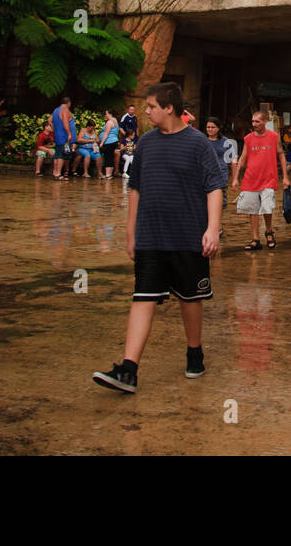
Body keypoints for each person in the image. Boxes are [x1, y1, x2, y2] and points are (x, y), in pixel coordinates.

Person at [92, 83, 225, 393]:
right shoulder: (146, 144)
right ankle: (129, 369)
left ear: (169, 107)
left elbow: (214, 187)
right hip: (151, 236)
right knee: (142, 298)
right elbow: (135, 188)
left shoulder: (198, 144)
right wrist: (131, 233)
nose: (146, 111)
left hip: (187, 237)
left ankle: (194, 352)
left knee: (190, 299)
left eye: (151, 106)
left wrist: (212, 228)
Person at [233, 110, 291, 251]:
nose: (254, 124)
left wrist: (285, 177)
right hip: (250, 179)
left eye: (257, 121)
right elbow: (242, 158)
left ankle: (269, 232)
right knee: (252, 210)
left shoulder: (274, 137)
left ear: (265, 122)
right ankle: (255, 239)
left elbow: (281, 155)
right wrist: (235, 178)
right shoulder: (248, 138)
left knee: (267, 207)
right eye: (253, 121)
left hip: (268, 178)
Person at [204, 117, 239, 204]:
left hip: (221, 176)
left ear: (218, 128)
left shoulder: (226, 141)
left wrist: (234, 179)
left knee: (220, 203)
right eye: (208, 127)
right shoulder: (202, 141)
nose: (210, 129)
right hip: (205, 176)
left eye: (213, 127)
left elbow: (233, 161)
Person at [51, 96, 77, 181]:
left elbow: (49, 120)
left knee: (57, 155)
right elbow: (65, 122)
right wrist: (69, 134)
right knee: (62, 156)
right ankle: (58, 173)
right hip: (64, 136)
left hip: (58, 135)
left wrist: (54, 129)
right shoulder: (65, 110)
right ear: (68, 103)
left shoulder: (56, 110)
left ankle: (55, 172)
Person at [98, 110, 120, 180]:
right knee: (110, 157)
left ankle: (107, 174)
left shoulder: (110, 122)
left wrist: (102, 143)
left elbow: (106, 133)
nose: (105, 115)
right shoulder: (115, 121)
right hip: (114, 141)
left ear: (110, 114)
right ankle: (109, 174)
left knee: (108, 157)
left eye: (106, 114)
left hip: (109, 142)